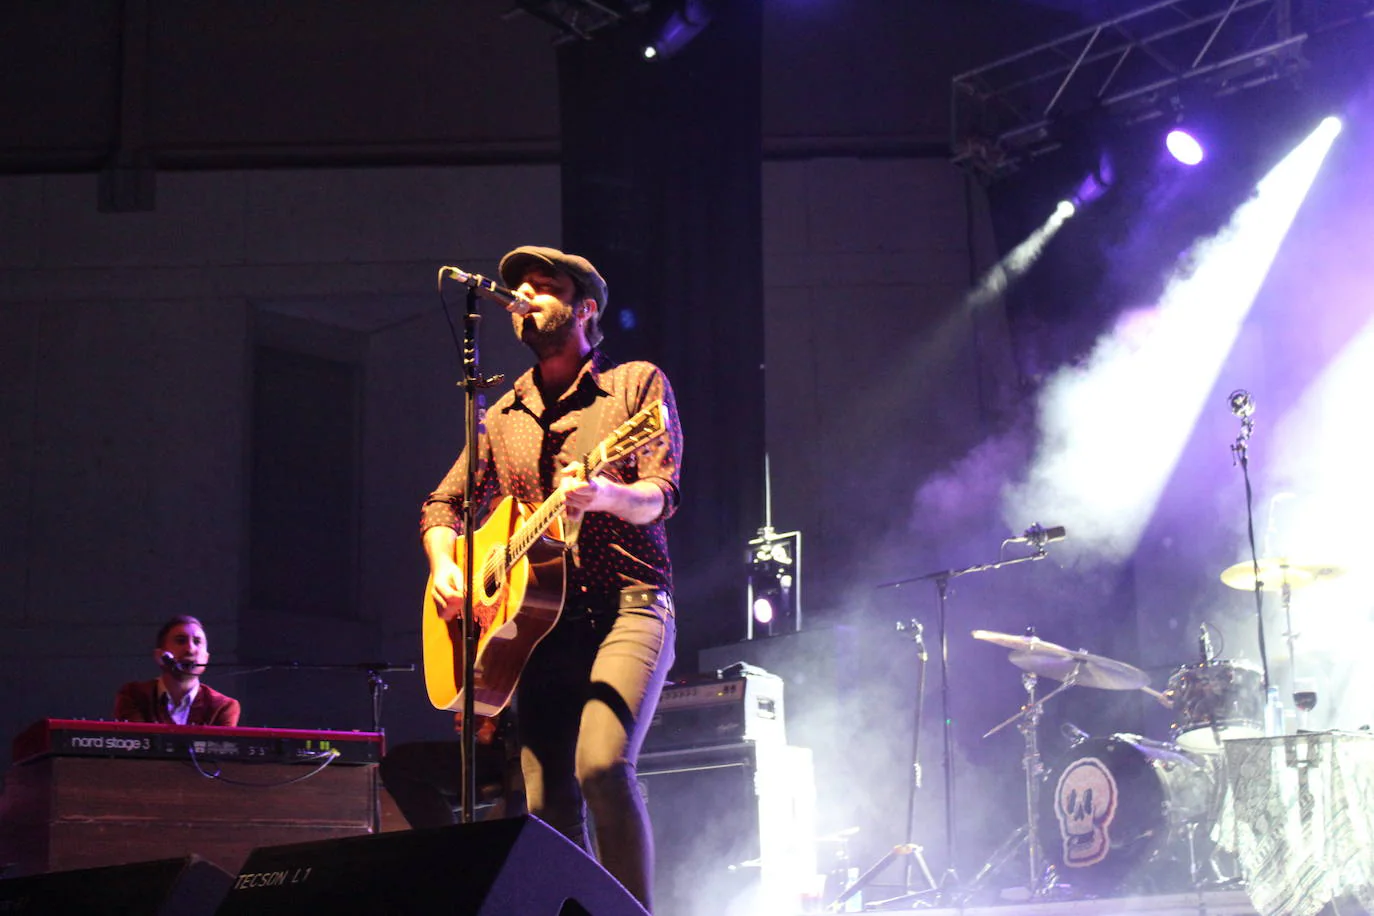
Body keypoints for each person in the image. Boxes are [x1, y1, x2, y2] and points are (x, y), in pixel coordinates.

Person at [422, 245, 682, 911]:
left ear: (585, 309)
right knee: (544, 804)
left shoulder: (633, 387)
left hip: (629, 607)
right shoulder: (502, 414)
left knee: (599, 766)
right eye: (520, 289)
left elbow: (659, 492)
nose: (525, 297)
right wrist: (448, 563)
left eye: (544, 287)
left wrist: (604, 495)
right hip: (538, 633)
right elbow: (443, 506)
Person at [379, 710, 525, 827]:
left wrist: (493, 714)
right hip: (510, 749)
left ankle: (446, 850)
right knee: (428, 794)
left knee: (400, 763)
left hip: (512, 750)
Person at [113, 615, 241, 726]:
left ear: (206, 658)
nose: (190, 649)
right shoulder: (133, 695)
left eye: (197, 642)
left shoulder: (222, 706)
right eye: (181, 641)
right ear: (160, 656)